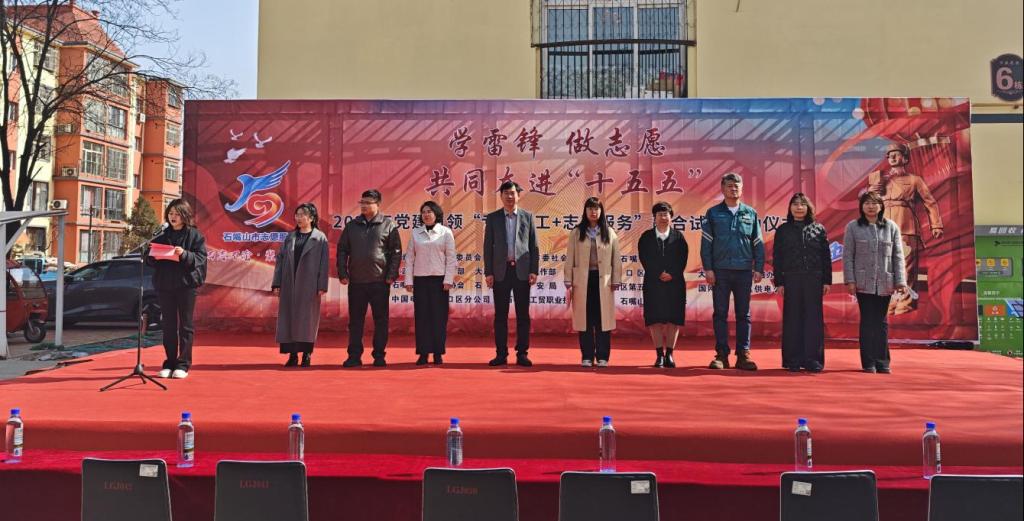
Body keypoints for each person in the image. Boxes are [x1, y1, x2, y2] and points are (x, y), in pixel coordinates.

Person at [865, 143, 943, 314]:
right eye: (890, 155)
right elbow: (868, 205)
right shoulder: (880, 179)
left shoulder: (915, 180)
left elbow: (930, 202)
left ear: (905, 158)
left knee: (906, 268)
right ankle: (891, 302)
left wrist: (936, 224)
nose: (892, 157)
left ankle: (906, 302)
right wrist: (871, 192)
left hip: (906, 228)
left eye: (897, 154)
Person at [700, 172, 765, 371]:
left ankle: (743, 355)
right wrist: (708, 269)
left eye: (737, 186)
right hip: (720, 271)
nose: (733, 189)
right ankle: (721, 355)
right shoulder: (713, 213)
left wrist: (758, 268)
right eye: (729, 186)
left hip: (743, 271)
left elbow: (758, 242)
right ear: (722, 189)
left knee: (743, 314)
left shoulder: (750, 213)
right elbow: (706, 244)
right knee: (720, 313)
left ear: (742, 189)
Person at [842, 191, 908, 374]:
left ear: (881, 206)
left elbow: (898, 256)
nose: (870, 207)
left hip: (885, 282)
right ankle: (868, 362)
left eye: (874, 203)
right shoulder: (853, 227)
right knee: (868, 322)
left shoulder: (891, 227)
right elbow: (847, 256)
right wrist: (850, 280)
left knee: (881, 322)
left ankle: (882, 361)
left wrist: (900, 281)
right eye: (867, 203)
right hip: (863, 283)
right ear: (861, 207)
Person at [337, 189, 402, 367]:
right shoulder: (352, 226)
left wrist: (391, 275)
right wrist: (343, 272)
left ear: (378, 204)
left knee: (381, 321)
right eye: (362, 202)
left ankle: (379, 355)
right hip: (357, 282)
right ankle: (354, 356)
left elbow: (396, 252)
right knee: (355, 322)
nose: (364, 205)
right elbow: (342, 250)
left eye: (368, 202)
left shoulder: (388, 225)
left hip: (379, 281)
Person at [144, 198, 207, 379]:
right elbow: (149, 259)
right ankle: (169, 362)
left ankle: (183, 364)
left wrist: (184, 254)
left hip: (186, 285)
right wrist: (152, 255)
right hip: (165, 285)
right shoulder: (162, 235)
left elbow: (200, 259)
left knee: (185, 325)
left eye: (177, 214)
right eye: (170, 213)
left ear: (184, 215)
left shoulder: (195, 235)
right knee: (168, 325)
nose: (173, 217)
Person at [772, 193, 832, 373]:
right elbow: (777, 258)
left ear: (808, 208)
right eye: (795, 204)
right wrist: (779, 282)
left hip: (814, 279)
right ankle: (793, 360)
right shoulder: (783, 230)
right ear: (790, 208)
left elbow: (826, 257)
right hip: (791, 279)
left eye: (802, 204)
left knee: (813, 320)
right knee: (792, 319)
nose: (799, 207)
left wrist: (826, 280)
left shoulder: (818, 229)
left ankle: (813, 360)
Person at [483, 181, 539, 367]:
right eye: (506, 193)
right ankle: (501, 354)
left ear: (518, 195)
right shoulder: (493, 218)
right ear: (501, 196)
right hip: (501, 271)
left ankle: (522, 354)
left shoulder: (527, 217)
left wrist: (534, 270)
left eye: (512, 193)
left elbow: (533, 246)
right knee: (501, 316)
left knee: (523, 315)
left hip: (521, 271)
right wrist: (489, 272)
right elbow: (487, 247)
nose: (509, 196)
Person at [564, 197, 622, 367]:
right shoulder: (576, 232)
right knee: (585, 320)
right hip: (582, 281)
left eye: (596, 208)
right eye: (590, 208)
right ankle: (587, 356)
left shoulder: (609, 232)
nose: (593, 212)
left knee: (603, 319)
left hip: (603, 282)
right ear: (585, 211)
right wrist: (568, 279)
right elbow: (570, 257)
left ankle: (603, 356)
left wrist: (616, 279)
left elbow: (616, 259)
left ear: (601, 211)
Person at [272, 203, 329, 367]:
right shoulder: (290, 237)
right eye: (297, 214)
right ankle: (292, 355)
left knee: (307, 320)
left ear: (311, 218)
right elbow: (280, 261)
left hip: (309, 285)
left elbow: (324, 264)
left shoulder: (319, 238)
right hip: (289, 283)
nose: (298, 218)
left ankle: (306, 354)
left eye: (302, 214)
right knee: (289, 318)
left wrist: (322, 285)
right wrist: (277, 283)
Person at [404, 201, 457, 365]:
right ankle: (423, 353)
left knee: (439, 317)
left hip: (439, 281)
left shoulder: (445, 232)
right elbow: (409, 258)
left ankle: (438, 353)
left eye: (429, 211)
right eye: (423, 212)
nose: (426, 214)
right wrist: (408, 280)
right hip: (420, 280)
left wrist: (448, 280)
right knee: (422, 317)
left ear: (436, 214)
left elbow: (451, 258)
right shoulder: (416, 233)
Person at [638, 201, 689, 368]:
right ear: (654, 217)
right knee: (655, 319)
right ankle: (659, 354)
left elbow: (683, 258)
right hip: (653, 283)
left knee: (674, 318)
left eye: (666, 214)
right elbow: (645, 258)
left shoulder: (679, 237)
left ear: (671, 217)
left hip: (675, 283)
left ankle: (670, 354)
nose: (663, 217)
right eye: (659, 214)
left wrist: (672, 273)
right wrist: (658, 273)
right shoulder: (646, 237)